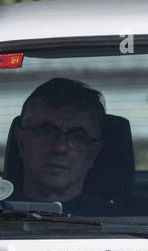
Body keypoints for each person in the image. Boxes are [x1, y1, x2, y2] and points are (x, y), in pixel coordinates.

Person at [12, 77, 105, 207]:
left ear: (93, 153)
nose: (60, 147)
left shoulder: (122, 223)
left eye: (77, 137)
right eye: (46, 132)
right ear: (21, 141)